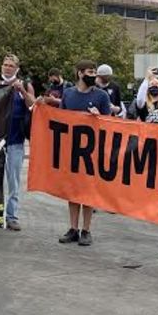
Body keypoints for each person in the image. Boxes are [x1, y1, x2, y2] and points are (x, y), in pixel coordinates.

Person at [56, 60, 111, 246]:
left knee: (88, 191)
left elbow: (111, 124)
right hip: (72, 149)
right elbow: (60, 119)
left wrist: (99, 117)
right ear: (80, 73)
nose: (93, 75)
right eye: (89, 72)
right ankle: (73, 228)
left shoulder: (101, 96)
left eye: (94, 72)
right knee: (72, 191)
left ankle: (86, 230)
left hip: (91, 151)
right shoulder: (68, 93)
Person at [0, 54, 36, 231]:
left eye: (11, 65)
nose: (7, 67)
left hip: (15, 140)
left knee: (13, 182)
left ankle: (11, 216)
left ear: (17, 68)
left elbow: (33, 105)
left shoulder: (24, 85)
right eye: (5, 64)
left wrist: (22, 91)